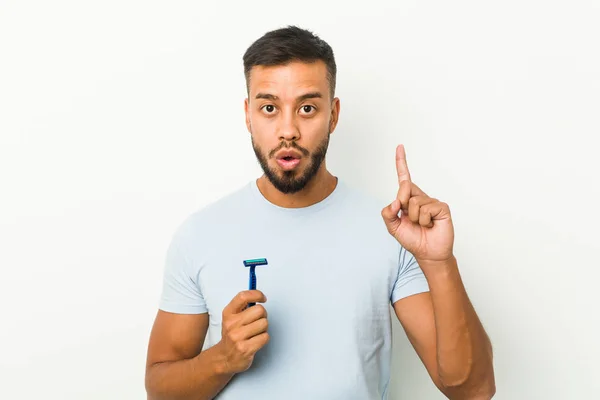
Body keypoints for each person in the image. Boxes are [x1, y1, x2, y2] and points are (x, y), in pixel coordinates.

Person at [144, 25, 496, 400]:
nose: (288, 130)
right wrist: (222, 359)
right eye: (269, 108)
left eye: (307, 108)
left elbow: (471, 390)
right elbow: (159, 389)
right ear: (248, 115)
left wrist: (439, 262)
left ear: (334, 114)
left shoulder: (390, 232)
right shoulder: (200, 235)